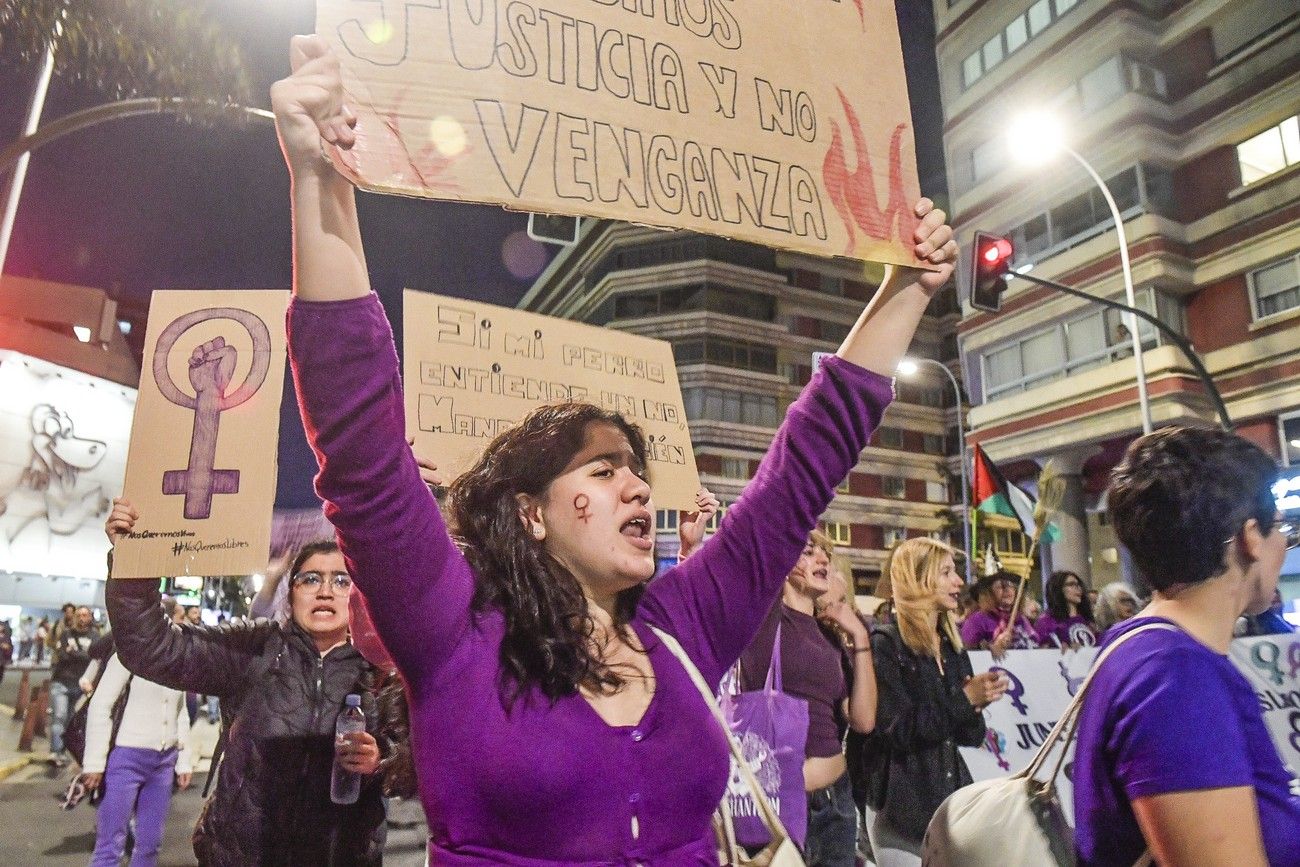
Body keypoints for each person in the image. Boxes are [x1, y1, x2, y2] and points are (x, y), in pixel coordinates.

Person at [271, 32, 958, 864]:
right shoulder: (455, 631)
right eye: (603, 471)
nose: (638, 488)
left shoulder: (680, 627)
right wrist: (318, 179)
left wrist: (906, 290)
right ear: (529, 513)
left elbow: (800, 474)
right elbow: (361, 448)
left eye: (636, 469)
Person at [105, 514, 387, 867]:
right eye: (310, 579)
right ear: (291, 593)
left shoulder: (384, 665)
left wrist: (380, 762)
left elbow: (422, 759)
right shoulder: (255, 647)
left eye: (342, 581)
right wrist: (134, 561)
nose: (325, 591)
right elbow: (152, 649)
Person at [1074, 426, 1300, 866]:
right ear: (1250, 537)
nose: (1283, 545)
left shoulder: (1146, 650)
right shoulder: (1174, 677)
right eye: (1282, 530)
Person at [861, 538, 1008, 865]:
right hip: (903, 817)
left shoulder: (953, 648)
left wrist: (974, 705)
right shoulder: (885, 645)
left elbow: (970, 737)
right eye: (946, 573)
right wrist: (964, 701)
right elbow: (896, 732)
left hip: (950, 808)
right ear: (917, 579)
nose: (959, 582)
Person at [739, 532, 877, 865]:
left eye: (825, 554)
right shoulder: (764, 619)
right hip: (781, 805)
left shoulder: (829, 635)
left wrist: (859, 636)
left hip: (837, 805)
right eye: (808, 552)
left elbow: (863, 719)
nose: (823, 560)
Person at [81, 637, 193, 867]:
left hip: (164, 762)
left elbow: (180, 713)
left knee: (150, 844)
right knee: (110, 845)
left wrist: (184, 760)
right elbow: (100, 706)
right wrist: (94, 763)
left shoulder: (175, 663)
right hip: (126, 759)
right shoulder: (126, 658)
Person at [49, 604, 100, 765]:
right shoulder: (65, 634)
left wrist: (74, 652)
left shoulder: (95, 636)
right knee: (59, 716)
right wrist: (79, 654)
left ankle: (68, 751)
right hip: (61, 682)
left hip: (80, 684)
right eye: (79, 615)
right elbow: (63, 656)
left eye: (85, 615)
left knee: (72, 721)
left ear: (90, 617)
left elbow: (93, 658)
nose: (81, 618)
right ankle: (56, 752)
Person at [958, 571, 1036, 653]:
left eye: (1010, 585)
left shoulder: (1022, 620)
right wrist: (989, 647)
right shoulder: (978, 620)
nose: (1007, 589)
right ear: (989, 593)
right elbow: (967, 650)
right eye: (1000, 586)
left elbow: (1035, 644)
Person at [1035, 570, 1098, 648]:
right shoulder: (1046, 621)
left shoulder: (1087, 619)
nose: (1078, 588)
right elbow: (1043, 650)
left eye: (1078, 584)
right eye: (1071, 584)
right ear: (1058, 588)